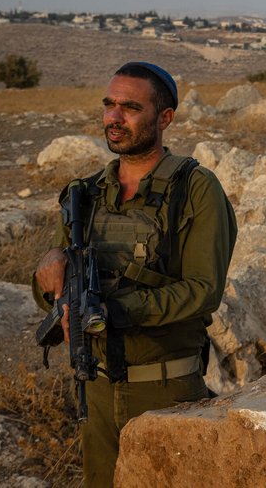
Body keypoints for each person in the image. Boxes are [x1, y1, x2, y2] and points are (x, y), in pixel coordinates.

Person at [32, 62, 237, 487]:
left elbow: (203, 291)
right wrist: (46, 276)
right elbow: (55, 290)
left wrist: (114, 311)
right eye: (109, 105)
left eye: (129, 107)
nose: (113, 117)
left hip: (165, 391)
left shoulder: (195, 189)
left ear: (164, 118)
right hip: (97, 391)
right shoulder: (84, 194)